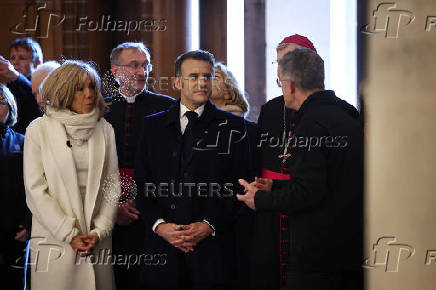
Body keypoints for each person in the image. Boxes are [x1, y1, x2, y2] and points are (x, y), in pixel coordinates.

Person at [238, 48, 363, 290]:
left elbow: (308, 193)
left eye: (280, 81)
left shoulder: (310, 125)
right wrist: (277, 185)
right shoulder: (345, 118)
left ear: (291, 84)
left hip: (317, 259)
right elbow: (329, 182)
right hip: (349, 253)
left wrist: (261, 199)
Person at [134, 50, 252, 290]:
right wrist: (160, 225)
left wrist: (208, 225)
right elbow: (142, 184)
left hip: (213, 253)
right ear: (177, 82)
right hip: (161, 250)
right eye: (194, 76)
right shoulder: (152, 125)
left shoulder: (234, 126)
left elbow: (240, 186)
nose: (201, 83)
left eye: (207, 77)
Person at [23, 60, 121, 290]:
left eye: (92, 87)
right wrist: (69, 233)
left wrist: (101, 230)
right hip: (54, 239)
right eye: (80, 88)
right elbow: (36, 191)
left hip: (96, 238)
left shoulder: (104, 128)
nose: (88, 94)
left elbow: (112, 184)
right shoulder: (38, 130)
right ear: (64, 91)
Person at [105, 42, 174, 290]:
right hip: (107, 206)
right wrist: (113, 205)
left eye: (145, 65)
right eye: (134, 65)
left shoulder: (166, 107)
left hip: (153, 206)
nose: (141, 72)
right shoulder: (99, 108)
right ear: (115, 71)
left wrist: (141, 201)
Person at [253, 34, 318, 290]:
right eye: (279, 63)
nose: (282, 70)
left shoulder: (332, 111)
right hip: (269, 213)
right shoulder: (270, 110)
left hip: (310, 211)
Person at [0, 84, 30, 288]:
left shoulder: (24, 142)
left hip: (15, 232)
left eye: (1, 102)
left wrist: (29, 224)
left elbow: (33, 187)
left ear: (10, 107)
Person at [0, 37, 42, 133]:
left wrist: (16, 76)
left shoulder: (43, 86)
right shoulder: (7, 88)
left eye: (22, 58)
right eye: (12, 58)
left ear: (37, 64)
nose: (15, 62)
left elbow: (36, 101)